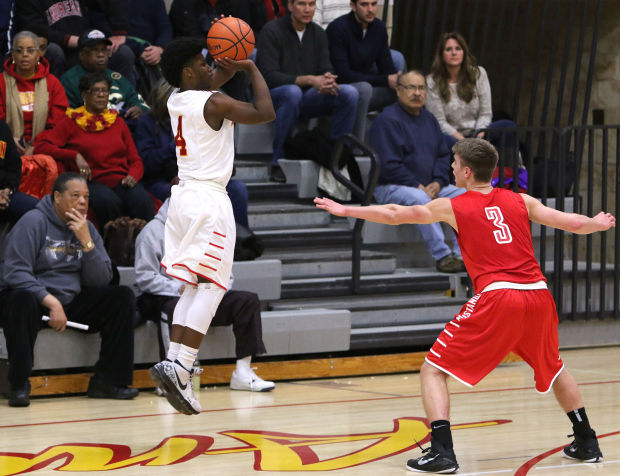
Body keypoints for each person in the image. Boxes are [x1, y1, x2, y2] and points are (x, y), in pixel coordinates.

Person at [315, 138, 614, 473]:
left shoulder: (453, 205)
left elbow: (396, 213)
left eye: (455, 164)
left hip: (498, 295)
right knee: (554, 366)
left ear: (468, 172)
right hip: (538, 294)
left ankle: (442, 452)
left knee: (433, 369)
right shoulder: (520, 199)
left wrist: (347, 209)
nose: (451, 168)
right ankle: (586, 440)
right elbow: (571, 223)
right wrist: (595, 223)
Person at [148, 37, 274, 415]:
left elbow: (208, 85)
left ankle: (173, 361)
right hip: (208, 201)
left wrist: (225, 66)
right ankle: (184, 368)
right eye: (203, 64)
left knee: (192, 286)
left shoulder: (177, 99)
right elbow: (265, 111)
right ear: (189, 72)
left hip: (183, 198)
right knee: (214, 287)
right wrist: (251, 68)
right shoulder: (215, 102)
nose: (209, 68)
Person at [0, 172, 139, 407]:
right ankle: (19, 383)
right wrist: (51, 302)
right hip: (33, 301)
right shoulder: (34, 222)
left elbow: (102, 280)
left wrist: (86, 242)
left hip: (70, 300)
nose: (83, 202)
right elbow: (15, 273)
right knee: (20, 299)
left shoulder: (87, 228)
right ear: (57, 197)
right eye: (75, 196)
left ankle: (108, 381)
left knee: (121, 297)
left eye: (86, 197)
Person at [135, 199, 275, 392]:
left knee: (246, 301)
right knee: (175, 308)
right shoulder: (152, 231)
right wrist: (178, 287)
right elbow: (144, 276)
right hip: (163, 295)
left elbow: (226, 273)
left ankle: (243, 372)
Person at [369, 70, 465, 273]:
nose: (417, 93)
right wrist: (418, 186)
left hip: (430, 186)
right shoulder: (386, 120)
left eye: (421, 88)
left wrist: (438, 182)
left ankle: (461, 256)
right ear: (398, 91)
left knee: (468, 197)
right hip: (391, 186)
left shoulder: (429, 119)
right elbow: (387, 165)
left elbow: (442, 155)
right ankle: (443, 256)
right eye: (411, 87)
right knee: (420, 199)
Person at [34, 71, 154, 228]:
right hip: (92, 182)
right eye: (96, 91)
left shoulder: (117, 122)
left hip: (121, 180)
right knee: (109, 202)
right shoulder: (71, 121)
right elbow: (42, 146)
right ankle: (110, 246)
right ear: (84, 95)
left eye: (105, 91)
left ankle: (144, 245)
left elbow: (135, 159)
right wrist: (74, 155)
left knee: (143, 201)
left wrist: (133, 175)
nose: (101, 95)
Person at [256, 0, 358, 183]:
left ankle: (337, 158)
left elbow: (326, 67)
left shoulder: (318, 33)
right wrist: (310, 80)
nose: (308, 9)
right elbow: (268, 77)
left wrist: (327, 79)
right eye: (302, 4)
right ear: (290, 6)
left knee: (349, 93)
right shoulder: (271, 31)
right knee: (292, 92)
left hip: (307, 96)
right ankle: (278, 161)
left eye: (312, 4)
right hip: (275, 96)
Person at [133, 77, 251, 226]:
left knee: (237, 189)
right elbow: (146, 164)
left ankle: (239, 244)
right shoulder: (147, 122)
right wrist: (174, 147)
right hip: (161, 180)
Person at [425, 32, 516, 153]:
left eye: (458, 48)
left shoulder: (478, 74)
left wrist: (478, 137)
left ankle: (508, 170)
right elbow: (439, 122)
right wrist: (463, 141)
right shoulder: (432, 81)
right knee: (444, 140)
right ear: (441, 55)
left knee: (507, 126)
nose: (454, 53)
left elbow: (485, 113)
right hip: (452, 137)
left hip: (478, 134)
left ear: (464, 52)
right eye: (448, 49)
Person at [326, 0, 401, 141]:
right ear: (353, 6)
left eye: (373, 4)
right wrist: (385, 80)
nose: (371, 9)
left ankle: (395, 143)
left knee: (403, 89)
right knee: (364, 89)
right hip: (339, 87)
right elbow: (343, 74)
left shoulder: (378, 27)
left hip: (366, 83)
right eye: (364, 4)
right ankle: (356, 147)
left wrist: (399, 80)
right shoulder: (338, 28)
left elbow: (387, 67)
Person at [15, 0, 135, 80]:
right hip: (59, 50)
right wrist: (67, 39)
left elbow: (107, 4)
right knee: (53, 50)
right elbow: (33, 28)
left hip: (87, 48)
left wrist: (120, 31)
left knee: (123, 53)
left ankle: (126, 106)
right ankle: (57, 107)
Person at [0, 31, 69, 157]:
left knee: (51, 165)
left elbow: (58, 124)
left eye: (30, 50)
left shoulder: (52, 83)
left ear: (39, 54)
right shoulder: (1, 82)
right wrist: (9, 140)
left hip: (43, 144)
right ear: (13, 55)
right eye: (19, 50)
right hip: (5, 142)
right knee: (1, 158)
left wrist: (37, 145)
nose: (24, 55)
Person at [60, 30, 149, 122]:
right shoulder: (69, 80)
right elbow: (68, 116)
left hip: (124, 127)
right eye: (95, 50)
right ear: (82, 54)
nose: (101, 55)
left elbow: (141, 103)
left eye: (104, 50)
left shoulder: (117, 77)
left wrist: (139, 109)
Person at [0, 120, 40, 222]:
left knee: (41, 210)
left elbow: (14, 167)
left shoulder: (2, 129)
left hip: (5, 193)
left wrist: (8, 190)